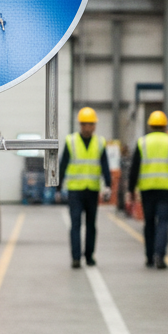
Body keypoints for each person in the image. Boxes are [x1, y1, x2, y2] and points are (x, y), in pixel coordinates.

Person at [128, 110, 168, 269]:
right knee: (164, 222)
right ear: (165, 126)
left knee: (149, 223)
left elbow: (134, 168)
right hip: (167, 189)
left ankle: (149, 257)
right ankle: (160, 255)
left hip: (148, 189)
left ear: (150, 126)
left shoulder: (143, 142)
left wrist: (131, 189)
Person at [59, 106, 112, 268]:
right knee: (75, 225)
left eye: (90, 124)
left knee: (91, 225)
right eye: (84, 124)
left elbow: (105, 165)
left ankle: (89, 256)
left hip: (92, 190)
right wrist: (57, 187)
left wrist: (108, 185)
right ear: (80, 125)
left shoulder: (100, 142)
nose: (87, 127)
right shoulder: (71, 141)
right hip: (75, 190)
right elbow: (63, 165)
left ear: (94, 126)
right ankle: (76, 258)